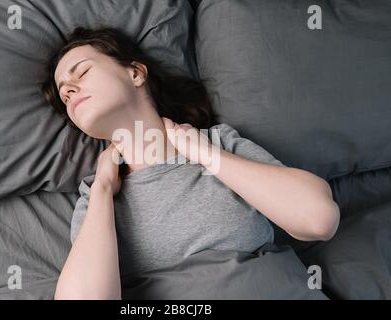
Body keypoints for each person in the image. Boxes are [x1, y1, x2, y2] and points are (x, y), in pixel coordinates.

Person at [41, 26, 340, 300]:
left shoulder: (219, 144)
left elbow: (319, 218)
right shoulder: (95, 197)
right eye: (64, 95)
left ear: (135, 73)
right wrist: (104, 187)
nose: (68, 91)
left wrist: (202, 153)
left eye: (81, 73)